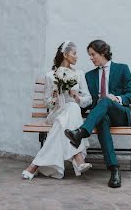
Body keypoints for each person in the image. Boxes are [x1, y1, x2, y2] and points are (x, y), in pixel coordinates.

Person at [65, 40, 131, 188]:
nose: (90, 58)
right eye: (89, 55)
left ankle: (81, 133)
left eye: (93, 54)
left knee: (106, 100)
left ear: (103, 53)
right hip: (102, 115)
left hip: (120, 113)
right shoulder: (89, 76)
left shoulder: (122, 69)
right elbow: (89, 102)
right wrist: (76, 101)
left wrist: (116, 98)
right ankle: (114, 169)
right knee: (102, 119)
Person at [22, 41, 92, 180]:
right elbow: (47, 103)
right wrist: (54, 97)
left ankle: (34, 165)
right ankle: (78, 159)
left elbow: (88, 99)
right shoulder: (50, 75)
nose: (77, 57)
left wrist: (76, 97)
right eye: (74, 53)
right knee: (70, 111)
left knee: (72, 108)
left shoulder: (79, 74)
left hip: (71, 114)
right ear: (65, 54)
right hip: (56, 113)